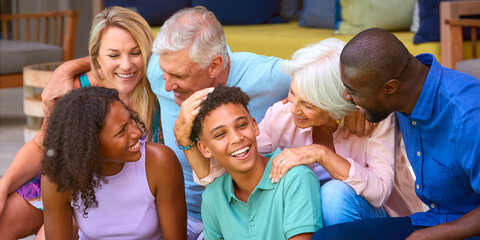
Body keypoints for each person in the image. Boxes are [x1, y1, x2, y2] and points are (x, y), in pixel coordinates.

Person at [41, 6, 372, 239]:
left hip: (244, 210)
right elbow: (118, 58)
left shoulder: (268, 77)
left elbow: (331, 68)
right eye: (164, 74)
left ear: (215, 65)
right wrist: (65, 69)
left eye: (179, 77)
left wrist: (352, 99)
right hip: (173, 215)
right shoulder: (161, 69)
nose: (166, 86)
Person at [187, 38, 423, 226]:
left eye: (308, 104)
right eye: (292, 92)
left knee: (333, 195)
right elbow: (231, 166)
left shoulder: (373, 121)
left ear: (335, 106)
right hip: (305, 218)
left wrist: (321, 154)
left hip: (375, 220)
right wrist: (185, 141)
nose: (293, 108)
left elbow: (380, 193)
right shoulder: (282, 115)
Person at [0, 6, 160, 239]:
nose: (126, 65)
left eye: (135, 53)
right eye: (114, 55)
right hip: (74, 186)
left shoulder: (162, 89)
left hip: (131, 194)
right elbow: (43, 146)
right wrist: (4, 185)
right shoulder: (79, 88)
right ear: (96, 57)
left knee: (48, 235)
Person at [312, 28, 480, 240]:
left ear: (390, 87)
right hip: (433, 220)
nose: (346, 97)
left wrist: (432, 236)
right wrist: (351, 111)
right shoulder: (406, 89)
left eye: (352, 91)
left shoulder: (469, 115)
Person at [41, 87, 186, 239]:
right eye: (122, 131)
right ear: (90, 145)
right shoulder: (59, 178)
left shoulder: (159, 162)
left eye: (130, 120)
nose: (137, 133)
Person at [191, 85, 322, 239]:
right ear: (205, 148)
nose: (237, 138)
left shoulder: (295, 178)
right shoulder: (213, 197)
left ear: (254, 126)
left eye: (241, 125)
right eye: (220, 134)